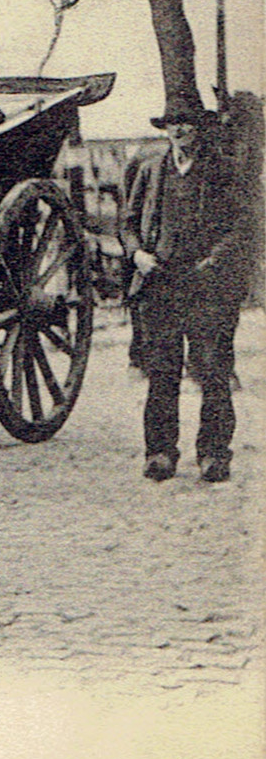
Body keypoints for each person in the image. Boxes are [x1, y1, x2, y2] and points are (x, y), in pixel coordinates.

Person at [121, 105, 253, 483]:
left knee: (212, 370)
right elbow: (127, 223)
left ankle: (213, 454)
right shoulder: (150, 169)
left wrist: (215, 260)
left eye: (187, 125)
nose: (179, 131)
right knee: (162, 372)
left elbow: (242, 225)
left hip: (207, 286)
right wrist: (137, 254)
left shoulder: (223, 170)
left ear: (200, 130)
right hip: (159, 283)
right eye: (172, 125)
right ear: (165, 130)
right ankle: (160, 452)